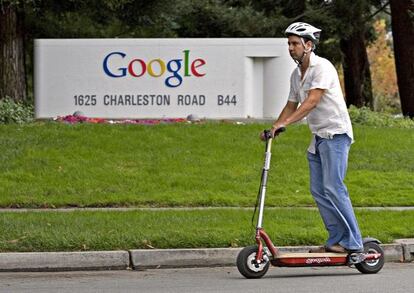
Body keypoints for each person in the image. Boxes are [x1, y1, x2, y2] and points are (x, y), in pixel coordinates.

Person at [266, 22, 364, 253]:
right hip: (318, 137)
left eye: (295, 44)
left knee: (333, 186)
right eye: (288, 44)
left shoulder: (322, 67)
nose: (290, 48)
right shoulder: (296, 74)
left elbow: (312, 101)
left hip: (336, 134)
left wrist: (286, 124)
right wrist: (274, 128)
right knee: (319, 190)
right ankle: (336, 240)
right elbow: (291, 105)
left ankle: (354, 242)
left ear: (308, 45)